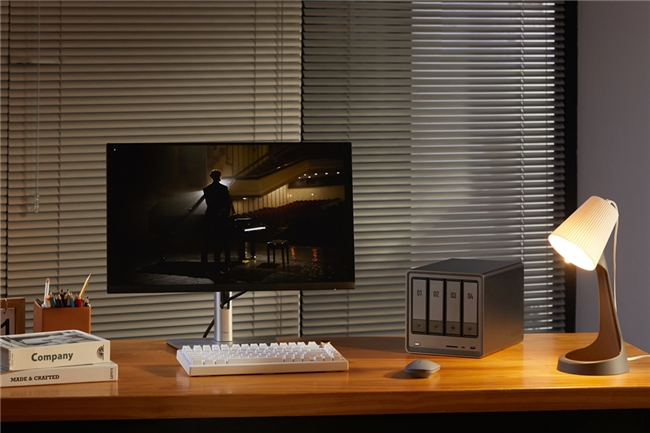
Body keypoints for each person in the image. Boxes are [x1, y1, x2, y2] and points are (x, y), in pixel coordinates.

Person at [200, 169, 232, 270]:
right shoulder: (223, 189)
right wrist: (225, 214)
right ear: (219, 177)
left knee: (207, 242)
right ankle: (223, 263)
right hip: (221, 218)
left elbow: (210, 204)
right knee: (223, 242)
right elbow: (228, 203)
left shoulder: (207, 189)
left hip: (210, 217)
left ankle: (204, 264)